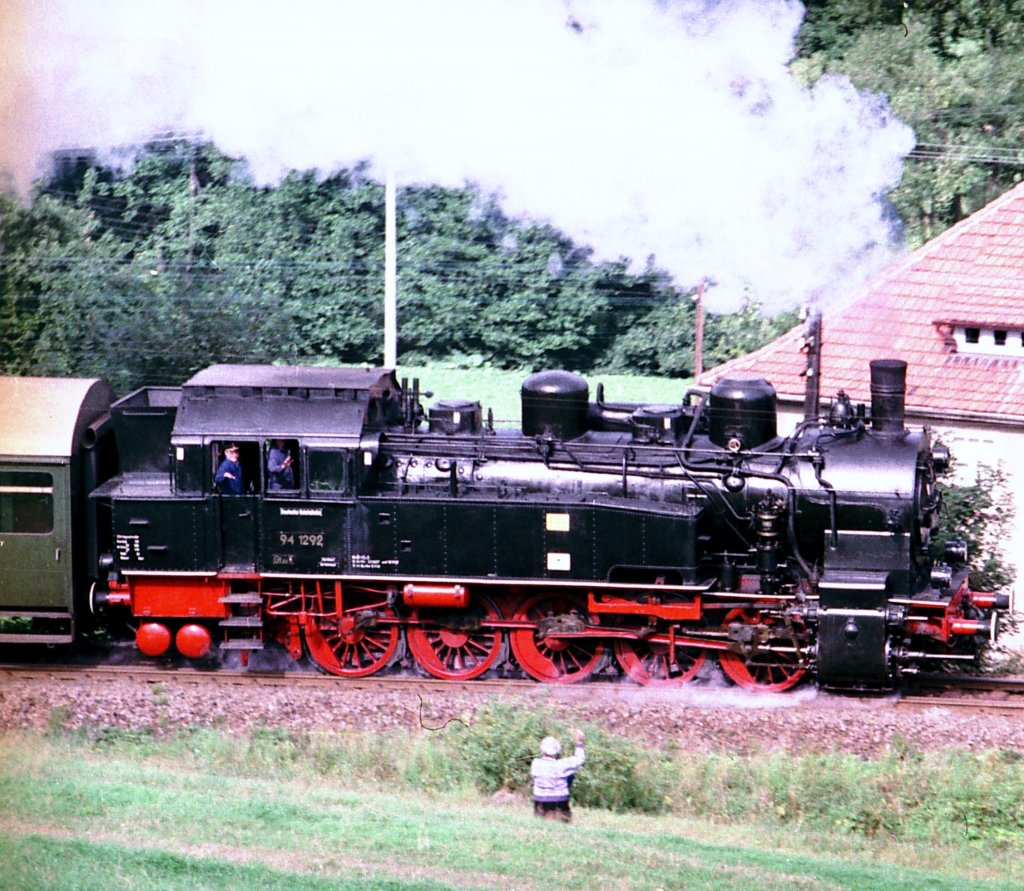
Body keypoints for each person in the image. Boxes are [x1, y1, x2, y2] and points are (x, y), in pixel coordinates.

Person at [530, 729, 585, 822]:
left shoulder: (535, 763)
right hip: (560, 800)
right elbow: (580, 759)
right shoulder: (562, 765)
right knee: (571, 775)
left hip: (540, 800)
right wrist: (579, 743)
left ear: (542, 750)